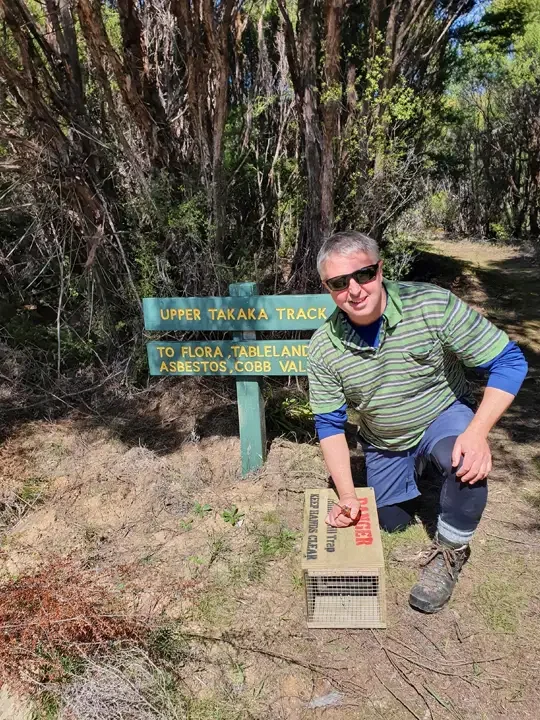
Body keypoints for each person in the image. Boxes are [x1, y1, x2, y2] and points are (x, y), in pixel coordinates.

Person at [307, 231, 528, 613]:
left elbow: (509, 361)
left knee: (464, 463)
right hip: (384, 437)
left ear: (380, 268)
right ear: (328, 288)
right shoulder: (324, 347)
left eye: (364, 274)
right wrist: (347, 496)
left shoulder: (431, 304)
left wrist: (476, 434)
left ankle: (449, 554)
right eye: (340, 283)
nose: (355, 290)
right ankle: (419, 467)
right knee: (391, 522)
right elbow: (329, 425)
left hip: (442, 414)